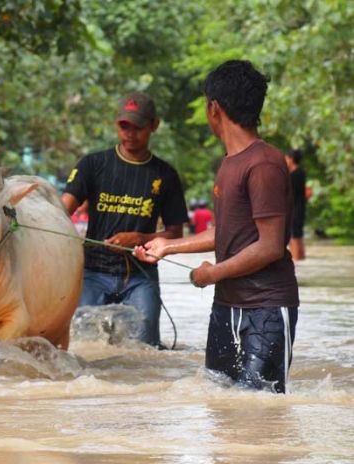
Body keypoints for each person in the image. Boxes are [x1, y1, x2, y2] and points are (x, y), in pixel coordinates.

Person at [134, 60, 299, 393]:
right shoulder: (229, 162)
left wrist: (213, 273)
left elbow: (269, 245)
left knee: (259, 408)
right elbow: (226, 232)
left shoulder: (264, 163)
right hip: (227, 306)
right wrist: (168, 247)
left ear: (214, 108)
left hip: (265, 308)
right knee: (222, 405)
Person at [61, 91, 189, 347]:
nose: (130, 133)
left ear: (154, 125)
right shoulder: (92, 165)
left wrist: (141, 238)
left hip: (141, 276)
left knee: (145, 351)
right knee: (82, 347)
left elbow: (176, 233)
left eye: (138, 127)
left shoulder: (166, 175)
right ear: (116, 125)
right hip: (93, 272)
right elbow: (60, 212)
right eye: (124, 126)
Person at [285, 149, 307, 260]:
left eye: (286, 158)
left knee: (294, 235)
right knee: (297, 234)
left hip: (295, 209)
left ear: (291, 159)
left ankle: (296, 259)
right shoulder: (300, 173)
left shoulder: (294, 175)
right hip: (299, 207)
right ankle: (300, 258)